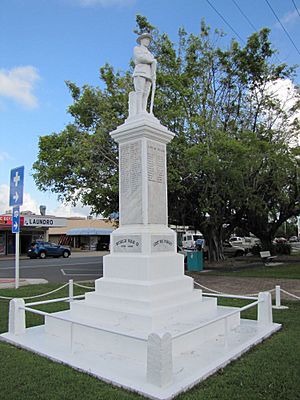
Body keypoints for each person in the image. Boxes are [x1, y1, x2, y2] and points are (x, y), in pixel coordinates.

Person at [133, 33, 157, 114]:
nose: (148, 41)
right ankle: (139, 110)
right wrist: (151, 60)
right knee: (140, 92)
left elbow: (153, 63)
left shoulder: (150, 53)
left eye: (149, 40)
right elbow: (140, 58)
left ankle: (144, 109)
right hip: (140, 72)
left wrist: (153, 74)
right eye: (146, 39)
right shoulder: (137, 48)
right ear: (141, 40)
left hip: (149, 74)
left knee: (146, 93)